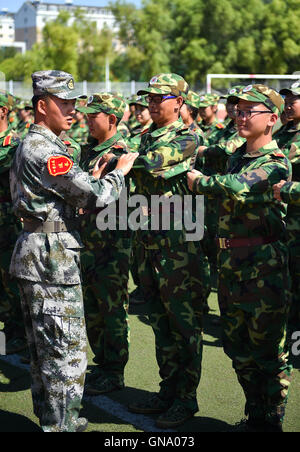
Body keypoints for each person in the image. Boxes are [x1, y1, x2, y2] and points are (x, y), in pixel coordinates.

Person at [9, 70, 138, 432]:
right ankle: (60, 427)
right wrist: (119, 172)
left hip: (39, 252)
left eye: (72, 103)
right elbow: (95, 196)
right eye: (63, 103)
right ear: (41, 105)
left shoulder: (36, 144)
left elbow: (63, 190)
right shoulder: (46, 149)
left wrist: (91, 173)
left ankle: (56, 421)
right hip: (51, 258)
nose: (72, 110)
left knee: (46, 351)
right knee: (64, 351)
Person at [187, 84, 293, 432]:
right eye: (238, 110)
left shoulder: (275, 162)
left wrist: (200, 182)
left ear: (272, 119)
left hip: (263, 265)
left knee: (267, 351)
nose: (240, 116)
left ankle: (271, 421)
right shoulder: (237, 156)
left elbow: (237, 185)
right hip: (231, 264)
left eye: (250, 111)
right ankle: (255, 415)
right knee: (238, 348)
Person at [127, 73, 205, 429]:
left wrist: (124, 160)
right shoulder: (142, 137)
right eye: (149, 97)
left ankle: (186, 398)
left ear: (180, 103)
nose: (153, 102)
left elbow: (157, 161)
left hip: (179, 247)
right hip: (148, 244)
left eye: (161, 97)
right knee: (160, 323)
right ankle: (168, 389)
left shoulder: (188, 137)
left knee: (184, 324)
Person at [76, 93, 132, 395]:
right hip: (87, 242)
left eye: (93, 115)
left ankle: (115, 370)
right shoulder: (88, 149)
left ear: (111, 119)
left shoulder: (121, 152)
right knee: (92, 309)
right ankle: (103, 363)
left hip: (111, 245)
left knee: (111, 309)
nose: (87, 119)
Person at [273, 81, 300, 330]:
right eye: (287, 99)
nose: (289, 103)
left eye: (295, 99)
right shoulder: (283, 132)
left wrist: (289, 190)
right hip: (283, 225)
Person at [0, 91, 26, 355]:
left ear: (3, 111)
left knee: (11, 278)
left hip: (8, 220)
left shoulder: (13, 141)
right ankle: (8, 330)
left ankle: (17, 330)